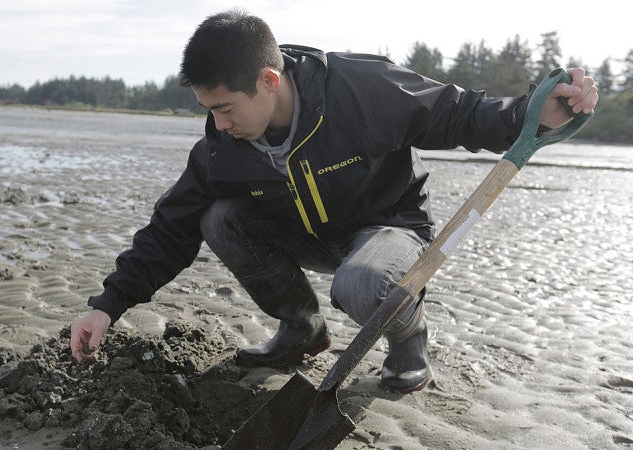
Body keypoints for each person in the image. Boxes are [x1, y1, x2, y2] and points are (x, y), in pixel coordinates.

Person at [70, 10, 598, 393]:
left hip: (386, 230)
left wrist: (531, 112)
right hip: (308, 235)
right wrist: (106, 308)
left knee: (363, 283)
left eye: (226, 108)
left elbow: (457, 113)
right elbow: (169, 229)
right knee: (218, 216)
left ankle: (409, 341)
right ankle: (301, 328)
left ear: (268, 80)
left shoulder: (359, 88)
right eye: (210, 111)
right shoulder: (220, 147)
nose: (219, 124)